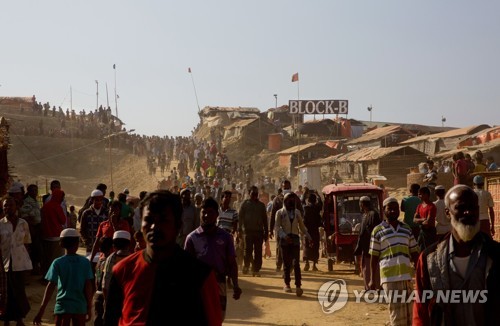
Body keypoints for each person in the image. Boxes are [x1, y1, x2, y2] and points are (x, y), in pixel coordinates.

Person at [104, 190, 222, 325]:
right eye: (148, 220)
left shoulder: (201, 275)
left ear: (178, 226)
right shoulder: (123, 271)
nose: (154, 227)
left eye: (163, 220)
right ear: (140, 224)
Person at [413, 185, 500, 325]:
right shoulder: (429, 259)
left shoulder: (495, 255)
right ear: (448, 213)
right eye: (461, 207)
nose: (468, 212)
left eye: (473, 208)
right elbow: (420, 309)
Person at [185, 197, 242, 321]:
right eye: (203, 212)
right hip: (199, 285)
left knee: (217, 318)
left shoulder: (226, 237)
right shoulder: (192, 238)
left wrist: (236, 285)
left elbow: (232, 263)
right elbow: (186, 266)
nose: (206, 215)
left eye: (210, 212)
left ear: (217, 215)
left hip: (219, 283)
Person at [369, 197, 419, 326]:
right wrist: (371, 280)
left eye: (395, 208)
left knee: (410, 313)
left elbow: (414, 253)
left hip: (407, 276)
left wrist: (419, 274)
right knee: (396, 313)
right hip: (389, 277)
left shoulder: (406, 228)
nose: (393, 211)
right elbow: (374, 257)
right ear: (384, 210)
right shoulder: (378, 230)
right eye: (390, 208)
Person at [33, 228, 94, 326]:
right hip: (80, 306)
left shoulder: (57, 262)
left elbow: (51, 286)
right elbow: (88, 286)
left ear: (61, 244)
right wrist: (89, 307)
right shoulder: (85, 262)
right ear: (77, 244)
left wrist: (41, 310)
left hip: (62, 306)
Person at [0, 197, 32, 325]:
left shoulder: (23, 223)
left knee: (19, 292)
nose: (7, 208)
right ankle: (6, 319)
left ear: (16, 206)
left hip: (21, 263)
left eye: (10, 205)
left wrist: (28, 262)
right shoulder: (0, 224)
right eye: (5, 206)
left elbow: (27, 243)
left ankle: (19, 319)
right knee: (6, 292)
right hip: (5, 263)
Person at [274, 192, 311, 296]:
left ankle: (298, 285)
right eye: (289, 200)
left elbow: (302, 227)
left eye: (292, 200)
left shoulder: (297, 213)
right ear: (285, 201)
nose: (291, 202)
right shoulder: (280, 213)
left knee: (296, 264)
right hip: (284, 241)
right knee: (286, 264)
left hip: (295, 240)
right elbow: (277, 228)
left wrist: (309, 237)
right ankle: (287, 284)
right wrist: (284, 236)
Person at [89, 200, 131, 268]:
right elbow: (96, 243)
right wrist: (91, 259)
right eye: (111, 210)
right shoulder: (103, 224)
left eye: (116, 210)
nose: (113, 213)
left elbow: (121, 240)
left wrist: (114, 224)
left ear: (119, 211)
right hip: (104, 258)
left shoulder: (124, 224)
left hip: (118, 259)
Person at [238, 186, 268, 276]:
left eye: (256, 193)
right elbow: (240, 218)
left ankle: (256, 269)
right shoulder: (244, 204)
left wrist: (266, 232)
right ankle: (246, 265)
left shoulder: (261, 205)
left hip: (259, 232)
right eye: (253, 193)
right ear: (249, 193)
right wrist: (240, 229)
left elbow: (265, 220)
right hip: (247, 231)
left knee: (258, 251)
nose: (255, 195)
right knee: (248, 250)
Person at [353, 196, 381, 290]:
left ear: (362, 204)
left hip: (372, 247)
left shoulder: (373, 214)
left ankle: (374, 287)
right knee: (366, 267)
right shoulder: (365, 214)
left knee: (373, 267)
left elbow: (375, 230)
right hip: (366, 247)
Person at [40, 188, 67, 276]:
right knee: (57, 258)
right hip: (56, 236)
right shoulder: (57, 206)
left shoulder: (45, 206)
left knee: (47, 258)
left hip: (45, 236)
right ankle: (54, 276)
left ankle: (46, 276)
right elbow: (63, 220)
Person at [101, 231, 132, 300]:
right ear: (129, 245)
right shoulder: (134, 258)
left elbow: (105, 284)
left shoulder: (110, 259)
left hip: (113, 299)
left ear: (113, 245)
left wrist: (106, 302)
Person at [20, 184, 42, 275]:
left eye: (36, 190)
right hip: (31, 228)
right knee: (33, 249)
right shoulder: (27, 201)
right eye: (33, 190)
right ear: (28, 192)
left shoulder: (35, 201)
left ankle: (34, 268)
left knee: (37, 249)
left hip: (37, 227)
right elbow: (26, 216)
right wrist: (31, 228)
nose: (35, 192)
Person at [80, 190, 108, 256]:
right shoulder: (86, 213)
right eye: (97, 200)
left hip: (103, 247)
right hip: (90, 246)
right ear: (92, 200)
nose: (99, 202)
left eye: (100, 200)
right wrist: (86, 241)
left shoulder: (106, 212)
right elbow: (82, 229)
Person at [93, 237, 113, 326]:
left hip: (97, 294)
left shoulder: (99, 261)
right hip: (106, 296)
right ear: (112, 247)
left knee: (98, 320)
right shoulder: (110, 263)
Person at [302, 192, 323, 272]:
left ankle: (307, 263)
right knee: (315, 246)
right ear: (315, 200)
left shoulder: (305, 208)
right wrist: (318, 195)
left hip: (307, 230)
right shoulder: (317, 207)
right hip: (315, 230)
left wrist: (305, 193)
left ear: (309, 200)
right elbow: (321, 203)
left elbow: (302, 201)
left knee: (307, 246)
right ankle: (314, 265)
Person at [413, 186, 437, 251]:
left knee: (430, 252)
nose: (419, 196)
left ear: (426, 194)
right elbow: (414, 219)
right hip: (422, 231)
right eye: (418, 194)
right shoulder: (419, 206)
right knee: (419, 250)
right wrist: (423, 219)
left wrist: (419, 221)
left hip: (430, 233)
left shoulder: (431, 206)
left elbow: (427, 223)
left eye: (420, 194)